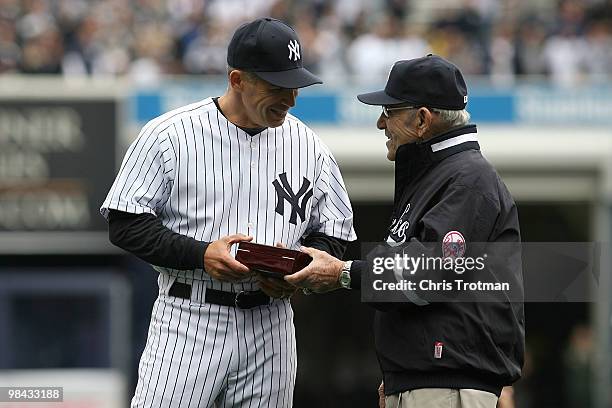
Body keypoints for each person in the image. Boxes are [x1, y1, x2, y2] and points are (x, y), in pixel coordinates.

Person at [100, 17, 356, 408]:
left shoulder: (310, 145)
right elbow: (125, 223)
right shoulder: (169, 133)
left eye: (294, 87)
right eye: (277, 87)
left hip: (271, 322)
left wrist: (299, 271)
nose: (290, 100)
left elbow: (335, 234)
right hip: (190, 316)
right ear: (238, 80)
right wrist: (200, 255)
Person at [285, 54, 525, 407]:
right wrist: (405, 376)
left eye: (390, 111)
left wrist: (344, 273)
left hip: (447, 386)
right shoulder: (441, 176)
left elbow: (428, 272)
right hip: (428, 381)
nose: (381, 123)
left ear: (422, 119)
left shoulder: (468, 179)